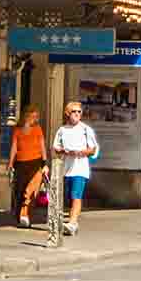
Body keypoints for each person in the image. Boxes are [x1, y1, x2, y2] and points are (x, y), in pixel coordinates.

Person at [52, 100, 100, 236]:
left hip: (80, 169)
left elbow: (92, 149)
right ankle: (68, 221)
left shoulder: (85, 129)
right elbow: (56, 148)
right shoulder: (62, 130)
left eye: (79, 111)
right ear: (68, 113)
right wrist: (64, 151)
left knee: (76, 196)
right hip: (66, 169)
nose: (77, 114)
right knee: (66, 197)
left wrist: (80, 152)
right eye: (74, 111)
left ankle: (72, 223)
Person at [8, 106, 47, 229]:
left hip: (35, 162)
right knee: (20, 190)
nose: (35, 119)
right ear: (26, 116)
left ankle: (25, 214)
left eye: (36, 117)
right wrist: (10, 163)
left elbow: (42, 146)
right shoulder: (17, 130)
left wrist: (44, 163)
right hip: (20, 163)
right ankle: (21, 216)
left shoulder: (37, 129)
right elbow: (14, 147)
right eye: (33, 116)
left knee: (30, 190)